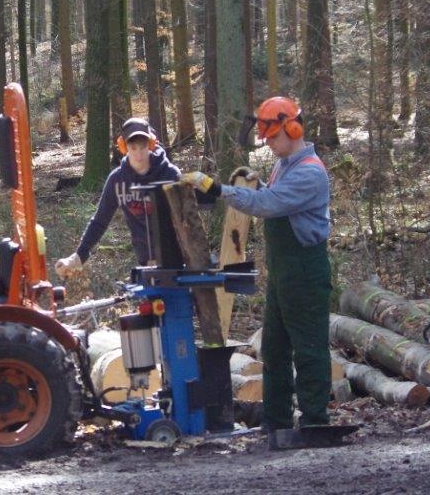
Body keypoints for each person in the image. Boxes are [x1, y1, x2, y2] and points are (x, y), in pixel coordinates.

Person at [181, 96, 332, 442]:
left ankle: (315, 421)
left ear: (293, 129)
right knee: (275, 348)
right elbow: (272, 195)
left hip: (305, 271)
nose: (270, 144)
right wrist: (256, 183)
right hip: (283, 273)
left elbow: (269, 204)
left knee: (309, 347)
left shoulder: (309, 172)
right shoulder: (284, 165)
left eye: (273, 137)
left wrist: (219, 190)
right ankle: (276, 420)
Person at [54, 118, 219, 278]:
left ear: (151, 144)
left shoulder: (169, 174)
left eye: (143, 147)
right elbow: (99, 221)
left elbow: (188, 219)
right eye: (133, 148)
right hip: (145, 264)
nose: (139, 154)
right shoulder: (117, 180)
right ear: (123, 147)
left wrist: (199, 258)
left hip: (179, 262)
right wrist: (77, 257)